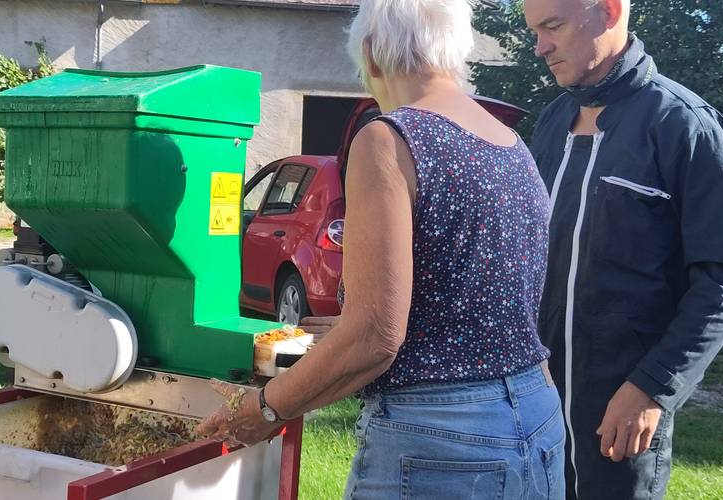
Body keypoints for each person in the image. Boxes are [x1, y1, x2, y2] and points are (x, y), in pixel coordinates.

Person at [198, 1, 565, 498]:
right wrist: (352, 321)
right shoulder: (511, 143)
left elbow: (375, 339)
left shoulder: (388, 139)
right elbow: (481, 309)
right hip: (538, 416)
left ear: (372, 56)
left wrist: (265, 408)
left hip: (440, 441)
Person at [524, 0, 723, 498]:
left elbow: (719, 282)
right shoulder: (551, 122)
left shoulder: (684, 125)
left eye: (552, 26)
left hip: (622, 412)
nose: (539, 46)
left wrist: (653, 388)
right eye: (533, 31)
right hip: (534, 403)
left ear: (609, 12)